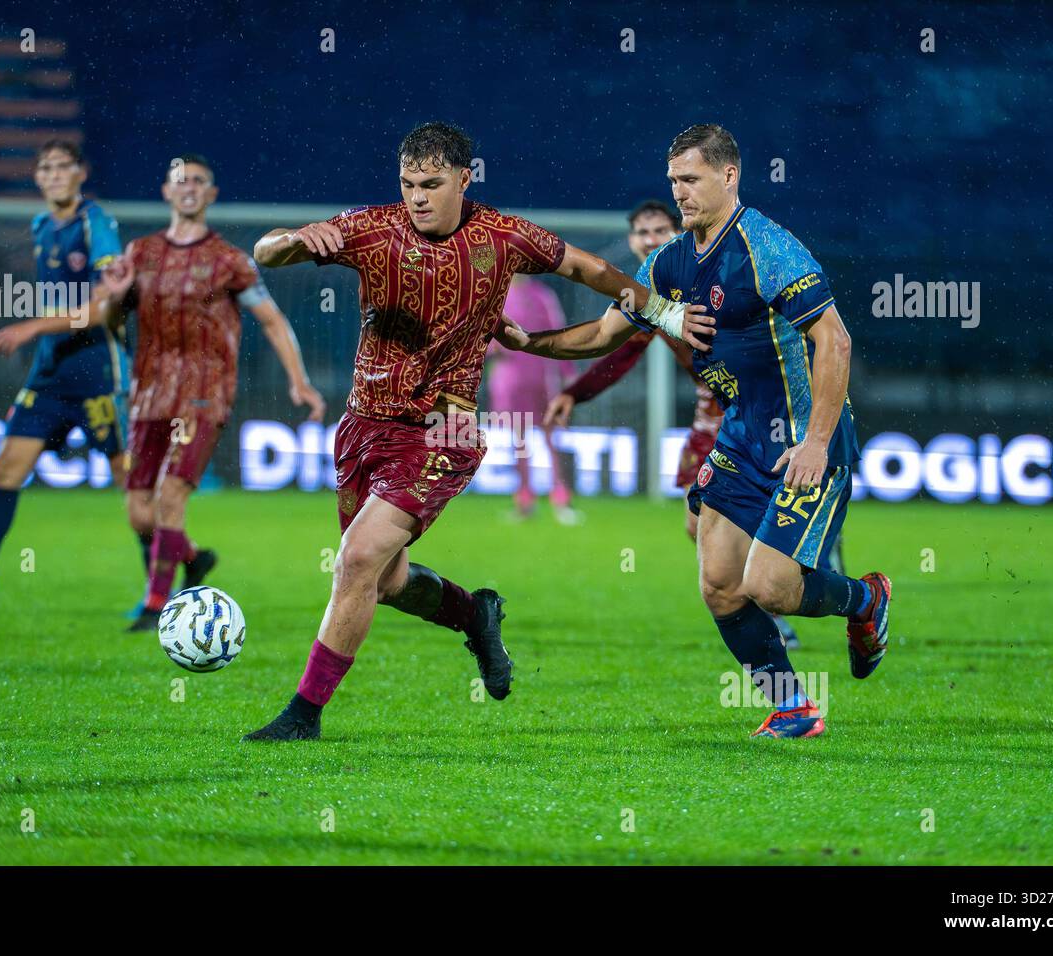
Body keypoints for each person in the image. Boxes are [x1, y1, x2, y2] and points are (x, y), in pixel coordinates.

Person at [244, 121, 711, 741]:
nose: (417, 196)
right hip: (364, 425)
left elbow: (587, 268)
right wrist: (293, 240)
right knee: (383, 582)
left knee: (355, 561)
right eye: (408, 183)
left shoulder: (505, 236)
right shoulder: (372, 227)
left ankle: (303, 714)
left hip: (444, 430)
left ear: (465, 178)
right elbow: (267, 252)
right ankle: (475, 615)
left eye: (432, 183)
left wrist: (660, 309)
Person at [502, 124, 891, 739]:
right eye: (674, 181)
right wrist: (531, 343)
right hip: (739, 436)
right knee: (719, 585)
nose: (679, 193)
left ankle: (866, 601)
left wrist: (815, 442)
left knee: (771, 587)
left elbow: (833, 339)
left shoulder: (767, 247)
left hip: (801, 437)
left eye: (691, 179)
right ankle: (792, 706)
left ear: (729, 175)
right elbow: (605, 334)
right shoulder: (670, 262)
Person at [0, 153, 326, 632]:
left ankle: (156, 606)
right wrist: (105, 300)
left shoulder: (230, 262)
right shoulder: (139, 255)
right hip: (148, 395)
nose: (188, 187)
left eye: (198, 181)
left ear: (211, 195)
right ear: (166, 193)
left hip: (204, 397)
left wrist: (299, 381)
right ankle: (191, 557)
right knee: (139, 511)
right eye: (179, 181)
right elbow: (98, 316)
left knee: (170, 500)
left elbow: (272, 320)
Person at [546, 200, 835, 649]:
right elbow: (616, 349)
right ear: (631, 241)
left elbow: (813, 334)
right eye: (642, 232)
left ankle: (795, 568)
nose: (651, 239)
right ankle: (773, 587)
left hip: (759, 408)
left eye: (660, 230)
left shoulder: (711, 266)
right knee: (693, 523)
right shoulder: (656, 290)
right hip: (713, 411)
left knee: (745, 532)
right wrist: (572, 392)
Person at [0, 140, 133, 617]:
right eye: (45, 168)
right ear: (37, 179)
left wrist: (31, 326)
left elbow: (101, 308)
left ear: (81, 172)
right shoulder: (40, 226)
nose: (54, 175)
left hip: (99, 373)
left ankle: (168, 588)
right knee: (6, 469)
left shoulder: (96, 223)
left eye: (63, 167)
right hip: (50, 374)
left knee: (130, 488)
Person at [485, 274, 579, 522]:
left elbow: (560, 335)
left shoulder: (542, 295)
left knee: (550, 439)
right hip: (512, 379)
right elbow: (483, 338)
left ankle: (560, 498)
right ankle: (525, 500)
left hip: (542, 378)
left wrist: (568, 375)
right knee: (520, 442)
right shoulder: (496, 294)